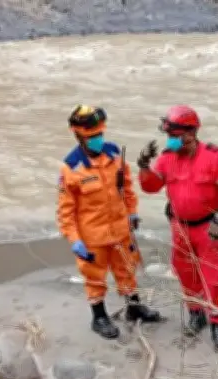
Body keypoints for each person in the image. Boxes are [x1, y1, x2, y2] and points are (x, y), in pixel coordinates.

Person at [137, 105, 218, 352]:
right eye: (169, 135)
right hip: (180, 228)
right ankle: (196, 313)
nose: (172, 140)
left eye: (176, 135)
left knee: (216, 277)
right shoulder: (166, 158)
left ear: (192, 132)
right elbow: (151, 187)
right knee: (185, 273)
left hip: (209, 227)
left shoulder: (215, 157)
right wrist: (143, 167)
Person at [57, 104, 162, 340]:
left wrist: (132, 212)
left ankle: (133, 307)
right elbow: (66, 210)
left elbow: (126, 188)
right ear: (79, 137)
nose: (98, 139)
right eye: (92, 137)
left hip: (121, 230)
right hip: (92, 236)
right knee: (95, 278)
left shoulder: (114, 154)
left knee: (127, 270)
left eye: (100, 134)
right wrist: (74, 239)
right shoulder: (71, 167)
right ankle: (99, 316)